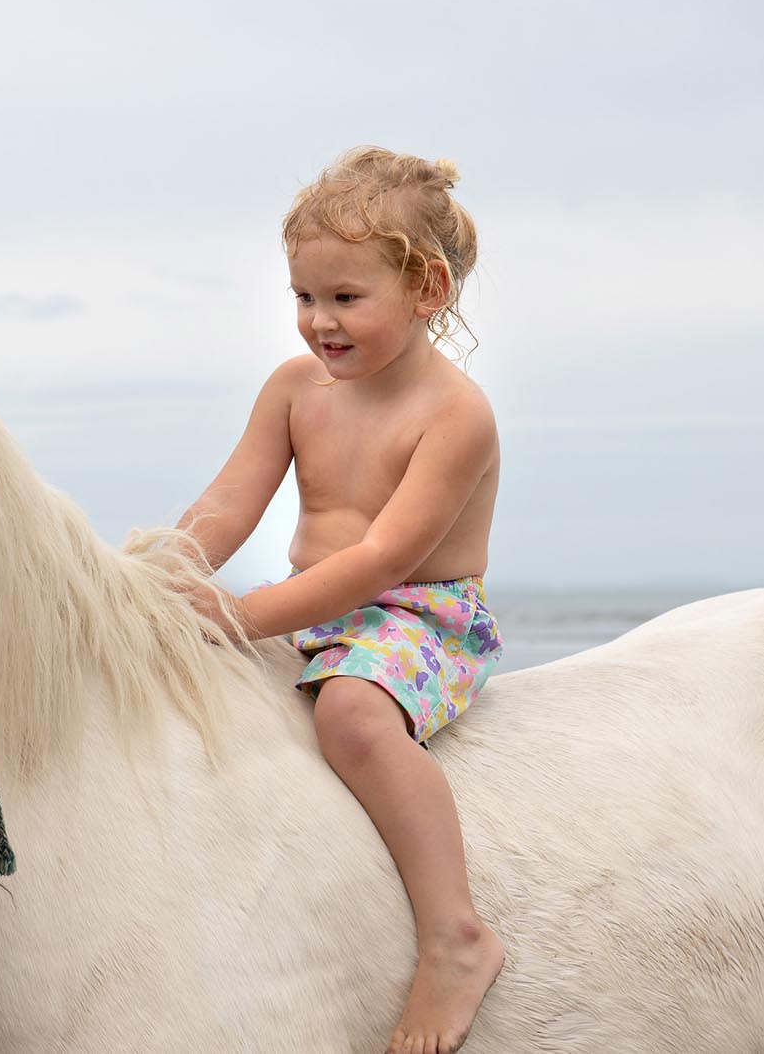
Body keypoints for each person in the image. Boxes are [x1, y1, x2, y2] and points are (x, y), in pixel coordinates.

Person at [178, 146, 505, 1054]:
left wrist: (241, 616)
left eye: (346, 297)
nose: (318, 320)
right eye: (304, 295)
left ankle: (455, 936)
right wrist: (161, 576)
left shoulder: (456, 414)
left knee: (353, 717)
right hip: (316, 613)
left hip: (419, 618)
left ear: (428, 288)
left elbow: (379, 559)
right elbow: (228, 503)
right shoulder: (296, 389)